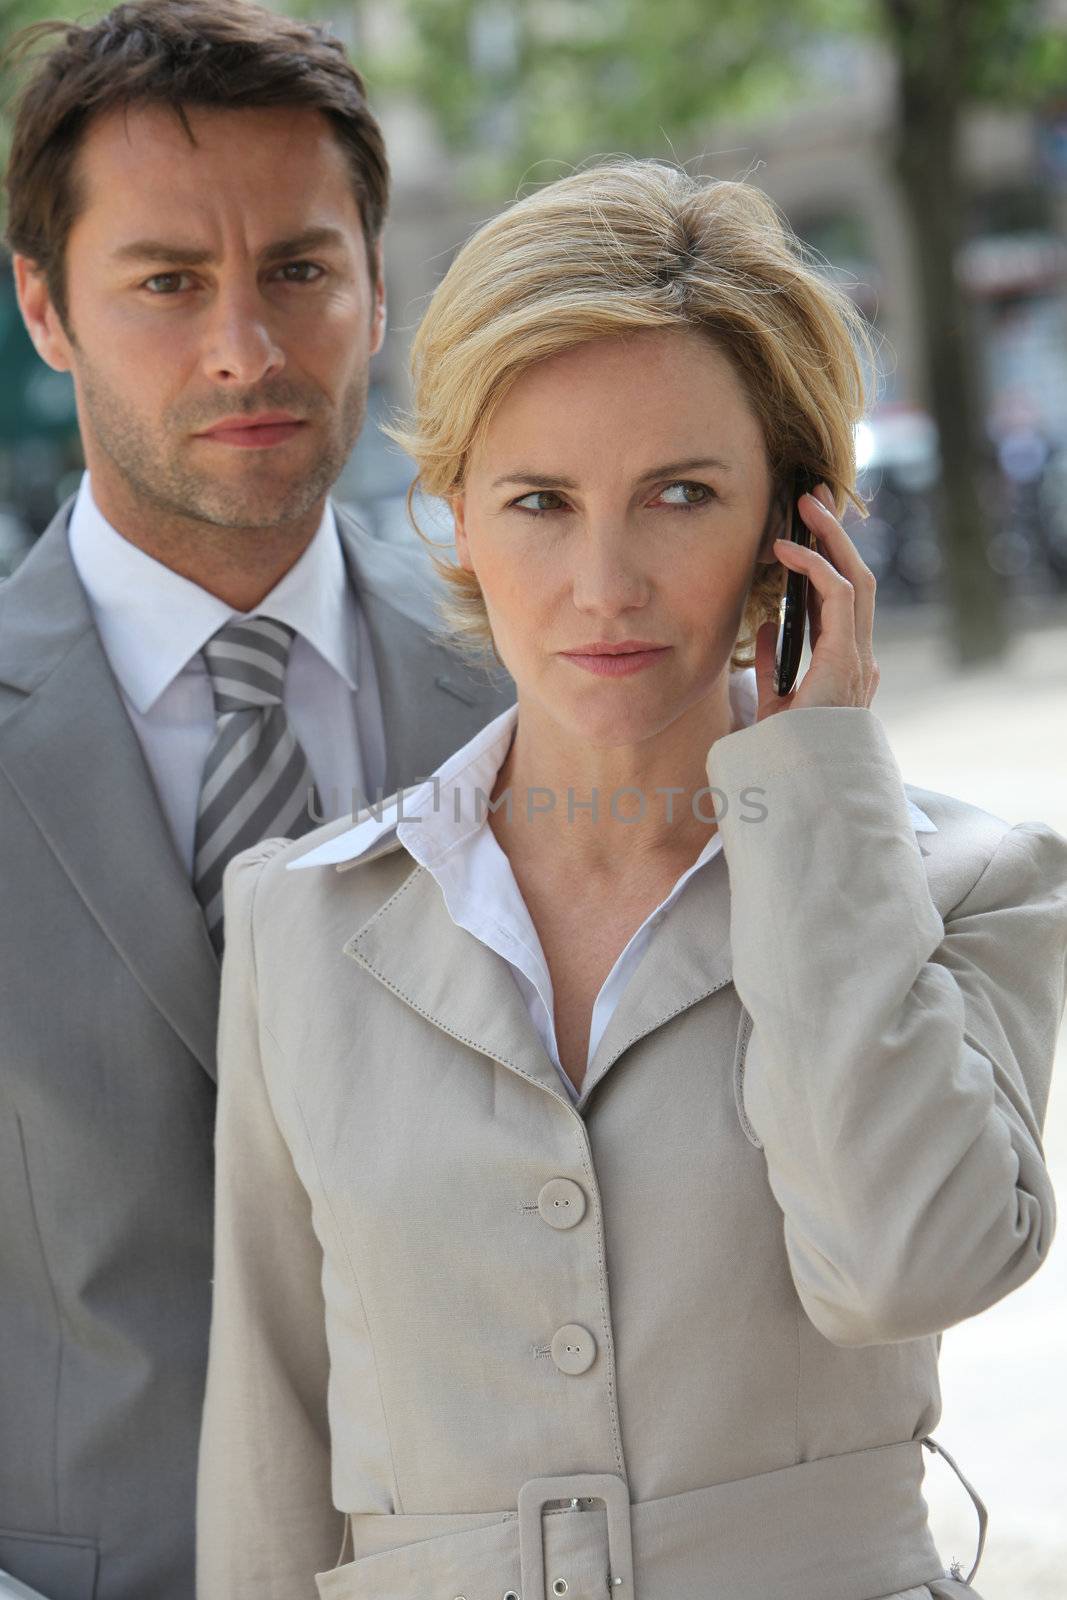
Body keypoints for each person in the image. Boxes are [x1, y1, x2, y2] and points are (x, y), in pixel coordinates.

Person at [196, 159, 1067, 1600]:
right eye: (541, 499)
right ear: (458, 515)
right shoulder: (303, 921)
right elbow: (269, 1455)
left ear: (800, 525)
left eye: (680, 494)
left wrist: (820, 791)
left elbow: (904, 1266)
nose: (606, 581)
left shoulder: (967, 883)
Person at [0, 3, 513, 1596]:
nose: (249, 349)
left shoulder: (536, 695)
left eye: (299, 269)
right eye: (166, 283)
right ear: (46, 309)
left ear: (374, 286)